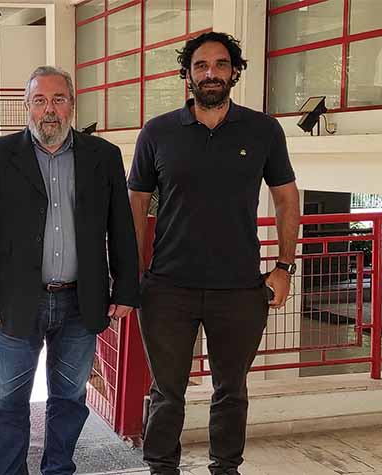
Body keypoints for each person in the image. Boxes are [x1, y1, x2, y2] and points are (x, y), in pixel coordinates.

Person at [128, 32, 301, 475]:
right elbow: (137, 203)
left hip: (240, 289)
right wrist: (133, 272)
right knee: (166, 392)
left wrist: (283, 266)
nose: (211, 73)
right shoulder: (157, 132)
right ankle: (161, 468)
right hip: (167, 289)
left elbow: (286, 198)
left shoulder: (263, 130)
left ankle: (226, 468)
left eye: (221, 64)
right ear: (186, 74)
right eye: (201, 65)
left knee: (231, 391)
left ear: (234, 72)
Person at [0, 66, 140, 475]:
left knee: (70, 399)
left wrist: (127, 289)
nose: (49, 110)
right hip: (16, 301)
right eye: (40, 100)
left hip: (81, 301)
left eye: (58, 99)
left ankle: (58, 470)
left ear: (72, 105)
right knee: (8, 403)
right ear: (27, 106)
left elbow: (121, 227)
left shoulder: (103, 156)